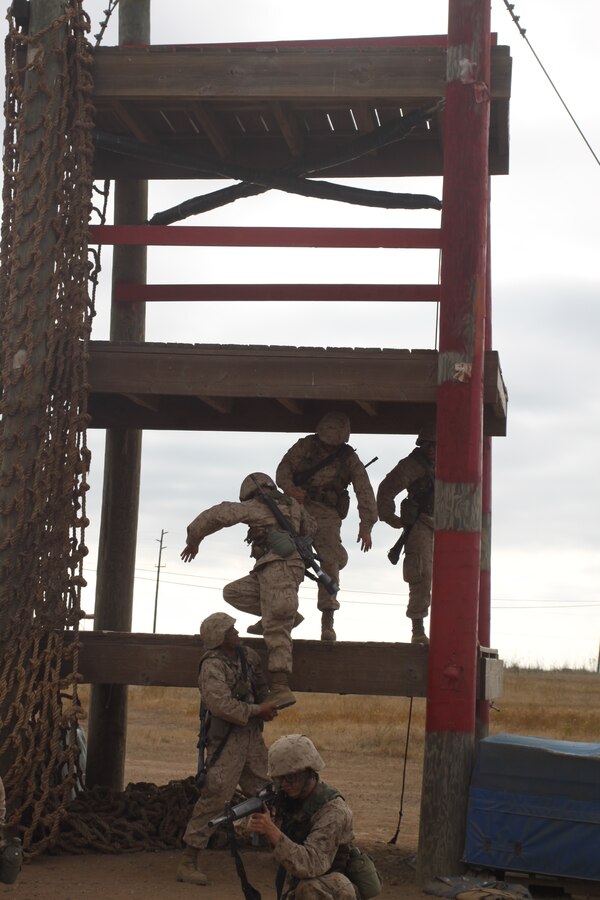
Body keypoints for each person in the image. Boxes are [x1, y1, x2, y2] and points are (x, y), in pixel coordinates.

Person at [181, 472, 317, 708]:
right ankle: (287, 614)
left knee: (276, 627)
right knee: (233, 592)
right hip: (275, 569)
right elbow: (312, 527)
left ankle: (281, 686)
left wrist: (194, 539)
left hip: (278, 568)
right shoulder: (293, 505)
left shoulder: (258, 507)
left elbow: (218, 514)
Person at [176, 612, 278, 886]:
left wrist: (269, 704)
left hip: (251, 738)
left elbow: (261, 686)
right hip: (227, 741)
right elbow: (220, 705)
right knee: (215, 795)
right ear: (220, 638)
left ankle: (283, 851)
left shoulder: (247, 656)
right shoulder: (212, 666)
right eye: (231, 629)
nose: (237, 631)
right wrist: (259, 710)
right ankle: (189, 860)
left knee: (267, 793)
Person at [275, 412, 378, 642]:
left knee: (329, 561)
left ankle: (327, 621)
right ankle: (280, 613)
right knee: (283, 556)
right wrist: (290, 489)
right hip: (297, 508)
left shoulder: (348, 458)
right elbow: (283, 470)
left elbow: (364, 490)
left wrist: (366, 525)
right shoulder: (305, 446)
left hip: (327, 514)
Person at [249, 734, 360, 899]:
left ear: (309, 772)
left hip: (332, 888)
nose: (284, 783)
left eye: (291, 777)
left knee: (310, 888)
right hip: (298, 884)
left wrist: (272, 831)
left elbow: (311, 864)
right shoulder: (288, 799)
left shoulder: (333, 811)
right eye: (278, 778)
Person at [376, 425, 436, 644]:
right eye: (430, 445)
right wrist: (390, 518)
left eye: (437, 445)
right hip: (421, 524)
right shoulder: (412, 465)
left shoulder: (450, 462)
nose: (434, 450)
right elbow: (386, 489)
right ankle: (418, 629)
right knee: (421, 574)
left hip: (445, 526)